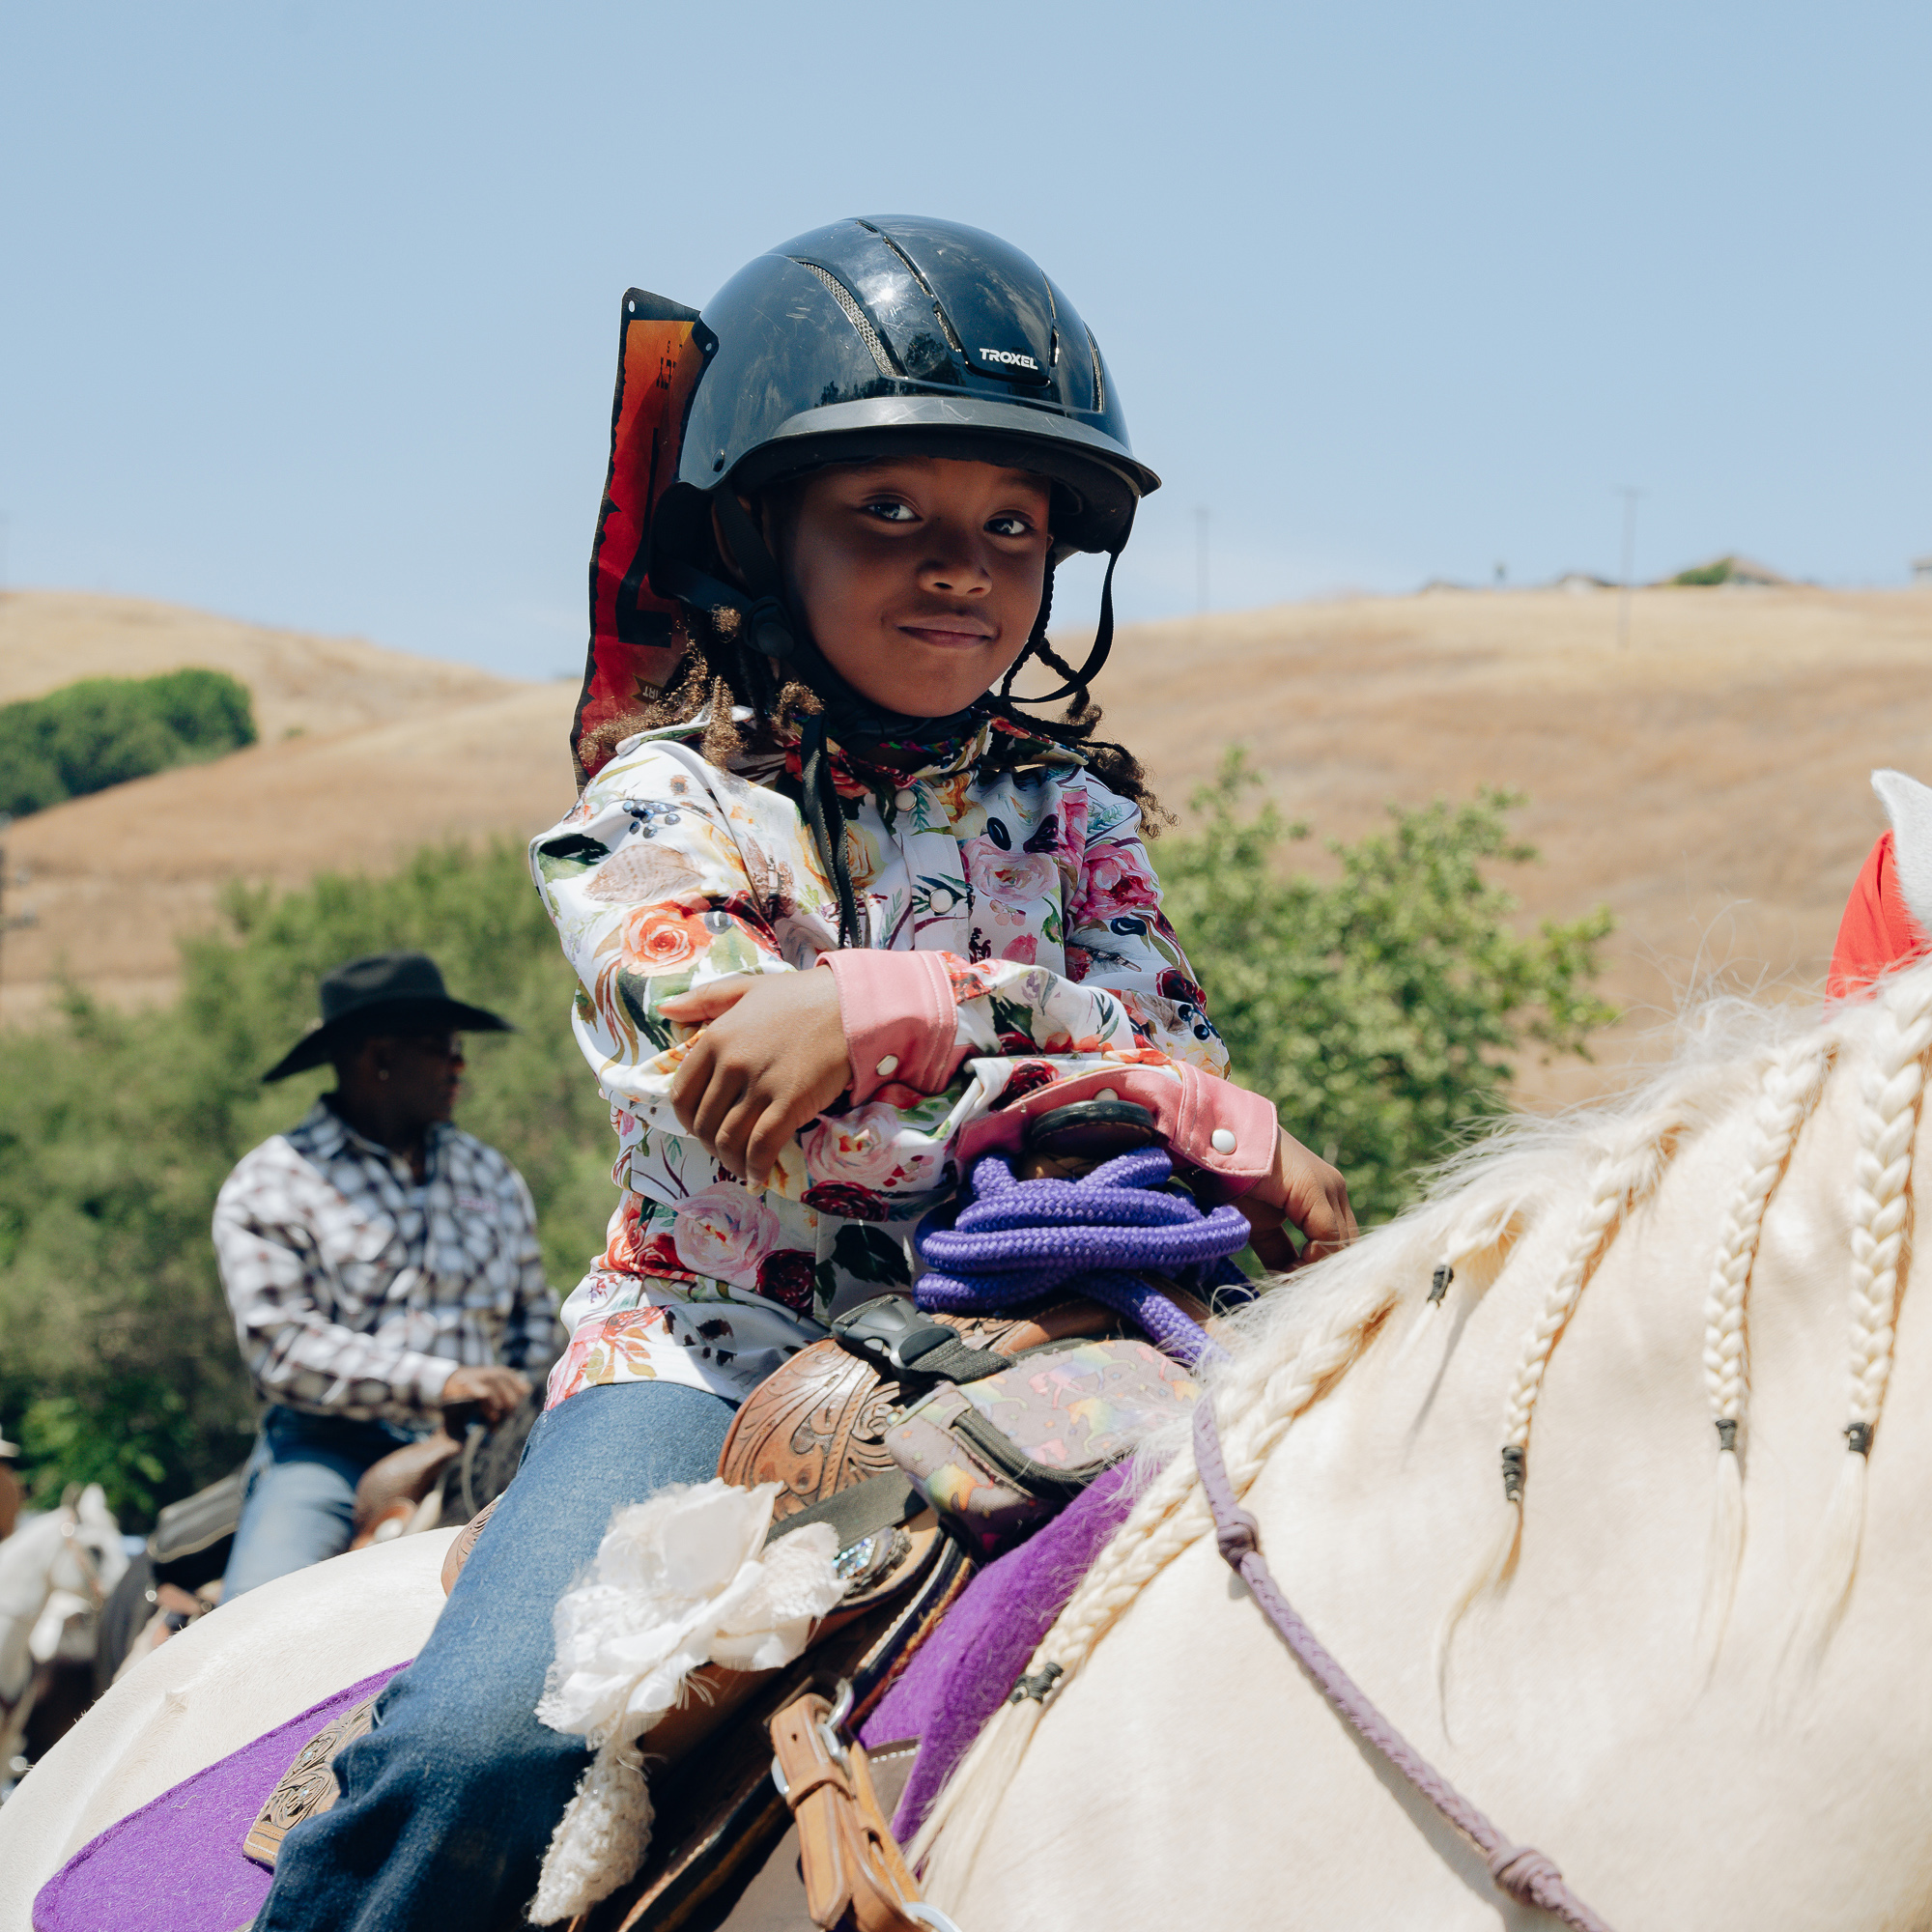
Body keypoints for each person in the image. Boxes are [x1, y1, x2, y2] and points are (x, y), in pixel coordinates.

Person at [252, 215, 1353, 1931]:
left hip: (1051, 1329)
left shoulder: (1081, 814)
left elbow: (1167, 1050)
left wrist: (882, 1004)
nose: (962, 568)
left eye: (1012, 526)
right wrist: (1063, 1061)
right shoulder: (653, 812)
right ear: (762, 535)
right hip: (713, 1351)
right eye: (890, 515)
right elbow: (777, 1120)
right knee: (481, 1750)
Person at [213, 950, 560, 1600]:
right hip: (332, 1451)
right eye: (442, 1048)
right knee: (258, 1619)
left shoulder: (489, 1172)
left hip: (491, 1442)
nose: (461, 1065)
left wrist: (519, 1397)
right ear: (378, 1058)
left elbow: (533, 1317)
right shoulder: (271, 1183)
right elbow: (282, 1345)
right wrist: (445, 1382)